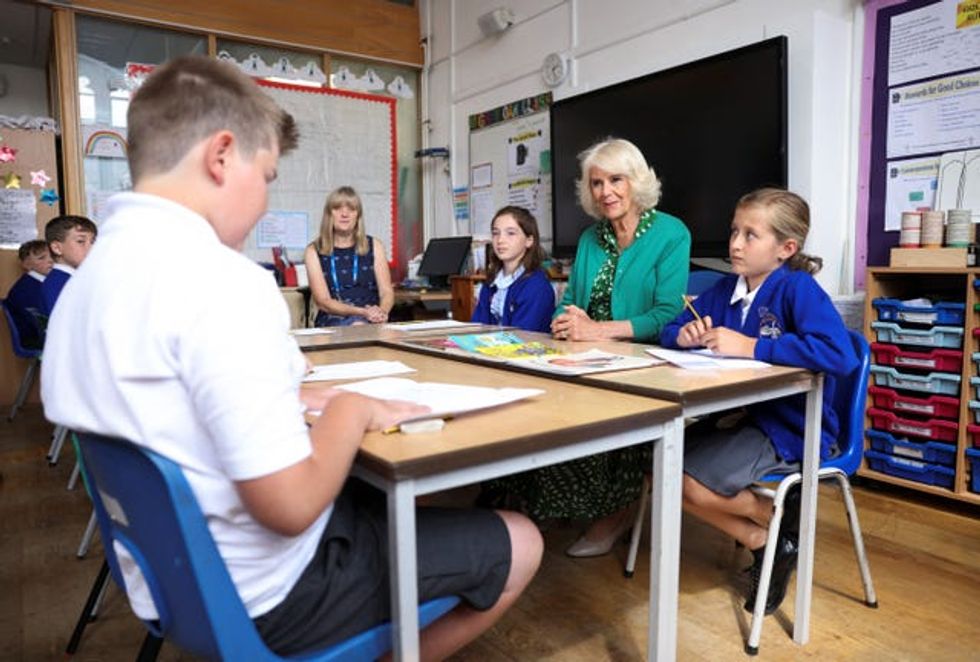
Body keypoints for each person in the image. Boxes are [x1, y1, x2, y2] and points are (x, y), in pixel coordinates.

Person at [41, 55, 541, 659]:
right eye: (269, 175)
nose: (263, 201)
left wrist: (298, 397)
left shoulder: (87, 284)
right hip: (270, 595)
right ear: (221, 156)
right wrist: (352, 407)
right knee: (521, 538)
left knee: (380, 491)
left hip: (168, 582)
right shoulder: (219, 282)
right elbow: (291, 508)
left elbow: (176, 410)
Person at [487, 138, 691, 557]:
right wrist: (565, 320)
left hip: (643, 361)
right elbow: (569, 301)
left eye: (616, 180)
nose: (606, 192)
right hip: (585, 354)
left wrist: (600, 330)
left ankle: (614, 513)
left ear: (636, 181)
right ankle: (541, 503)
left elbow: (668, 313)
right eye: (597, 183)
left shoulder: (671, 233)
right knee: (539, 406)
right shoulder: (589, 238)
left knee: (604, 416)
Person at [660, 187, 857, 615]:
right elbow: (670, 327)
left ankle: (775, 528)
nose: (734, 243)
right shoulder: (725, 288)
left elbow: (839, 353)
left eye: (751, 235)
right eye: (734, 230)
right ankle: (769, 532)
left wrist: (751, 347)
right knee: (659, 464)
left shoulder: (797, 290)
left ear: (786, 248)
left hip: (789, 428)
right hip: (739, 418)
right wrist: (683, 335)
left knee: (686, 480)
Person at [304, 187, 394, 327]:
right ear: (329, 215)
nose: (344, 214)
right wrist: (362, 312)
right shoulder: (313, 251)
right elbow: (323, 302)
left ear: (358, 215)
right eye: (338, 209)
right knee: (358, 326)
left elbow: (386, 292)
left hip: (373, 318)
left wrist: (382, 312)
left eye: (351, 209)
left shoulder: (375, 245)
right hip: (333, 318)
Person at [470, 206, 554, 332]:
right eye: (495, 233)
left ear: (529, 240)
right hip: (491, 349)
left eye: (511, 233)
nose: (500, 240)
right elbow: (476, 328)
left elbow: (522, 337)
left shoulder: (537, 286)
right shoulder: (491, 283)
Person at [41, 214, 97, 314]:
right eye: (80, 241)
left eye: (92, 242)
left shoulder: (67, 280)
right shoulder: (62, 285)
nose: (92, 248)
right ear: (57, 248)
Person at [4, 239, 53, 349]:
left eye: (52, 256)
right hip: (35, 337)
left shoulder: (43, 283)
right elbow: (40, 322)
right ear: (27, 264)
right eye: (42, 258)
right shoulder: (25, 289)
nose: (50, 261)